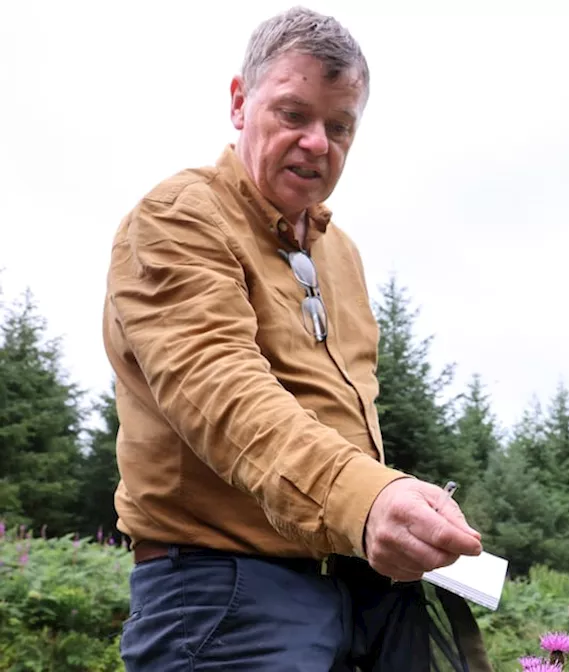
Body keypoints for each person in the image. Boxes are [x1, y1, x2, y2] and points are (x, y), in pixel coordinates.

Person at [102, 6, 492, 670]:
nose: (319, 142)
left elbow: (343, 420)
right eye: (294, 114)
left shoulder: (343, 253)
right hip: (221, 593)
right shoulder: (177, 219)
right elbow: (224, 395)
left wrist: (396, 508)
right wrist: (367, 498)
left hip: (361, 591)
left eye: (340, 126)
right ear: (239, 102)